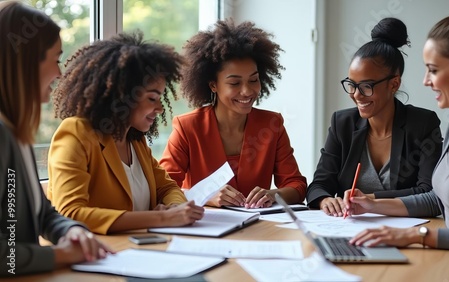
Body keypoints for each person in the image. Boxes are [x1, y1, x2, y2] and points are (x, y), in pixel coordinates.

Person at [344, 1, 449, 281]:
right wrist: (372, 204)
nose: (426, 81)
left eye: (434, 70)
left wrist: (414, 235)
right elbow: (438, 200)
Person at [47, 32, 204, 235]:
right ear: (122, 96)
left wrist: (175, 208)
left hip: (142, 250)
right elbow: (70, 213)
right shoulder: (77, 133)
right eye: (152, 98)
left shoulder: (135, 141)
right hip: (100, 255)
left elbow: (166, 188)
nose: (160, 108)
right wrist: (163, 218)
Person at [0, 1, 112, 276]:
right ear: (27, 63)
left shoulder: (17, 133)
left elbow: (43, 214)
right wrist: (59, 254)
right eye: (56, 59)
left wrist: (72, 230)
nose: (60, 73)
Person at [159, 19, 307, 208]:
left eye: (253, 80)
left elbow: (297, 186)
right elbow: (163, 189)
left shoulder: (272, 124)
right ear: (213, 85)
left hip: (259, 228)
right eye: (235, 83)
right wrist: (207, 197)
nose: (247, 91)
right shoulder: (188, 127)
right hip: (205, 229)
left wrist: (273, 194)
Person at [306, 17, 443, 216]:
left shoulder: (423, 124)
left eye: (366, 86)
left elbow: (428, 192)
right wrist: (325, 200)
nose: (356, 94)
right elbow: (318, 185)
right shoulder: (342, 123)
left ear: (394, 84)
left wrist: (371, 199)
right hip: (349, 231)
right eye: (351, 84)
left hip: (404, 232)